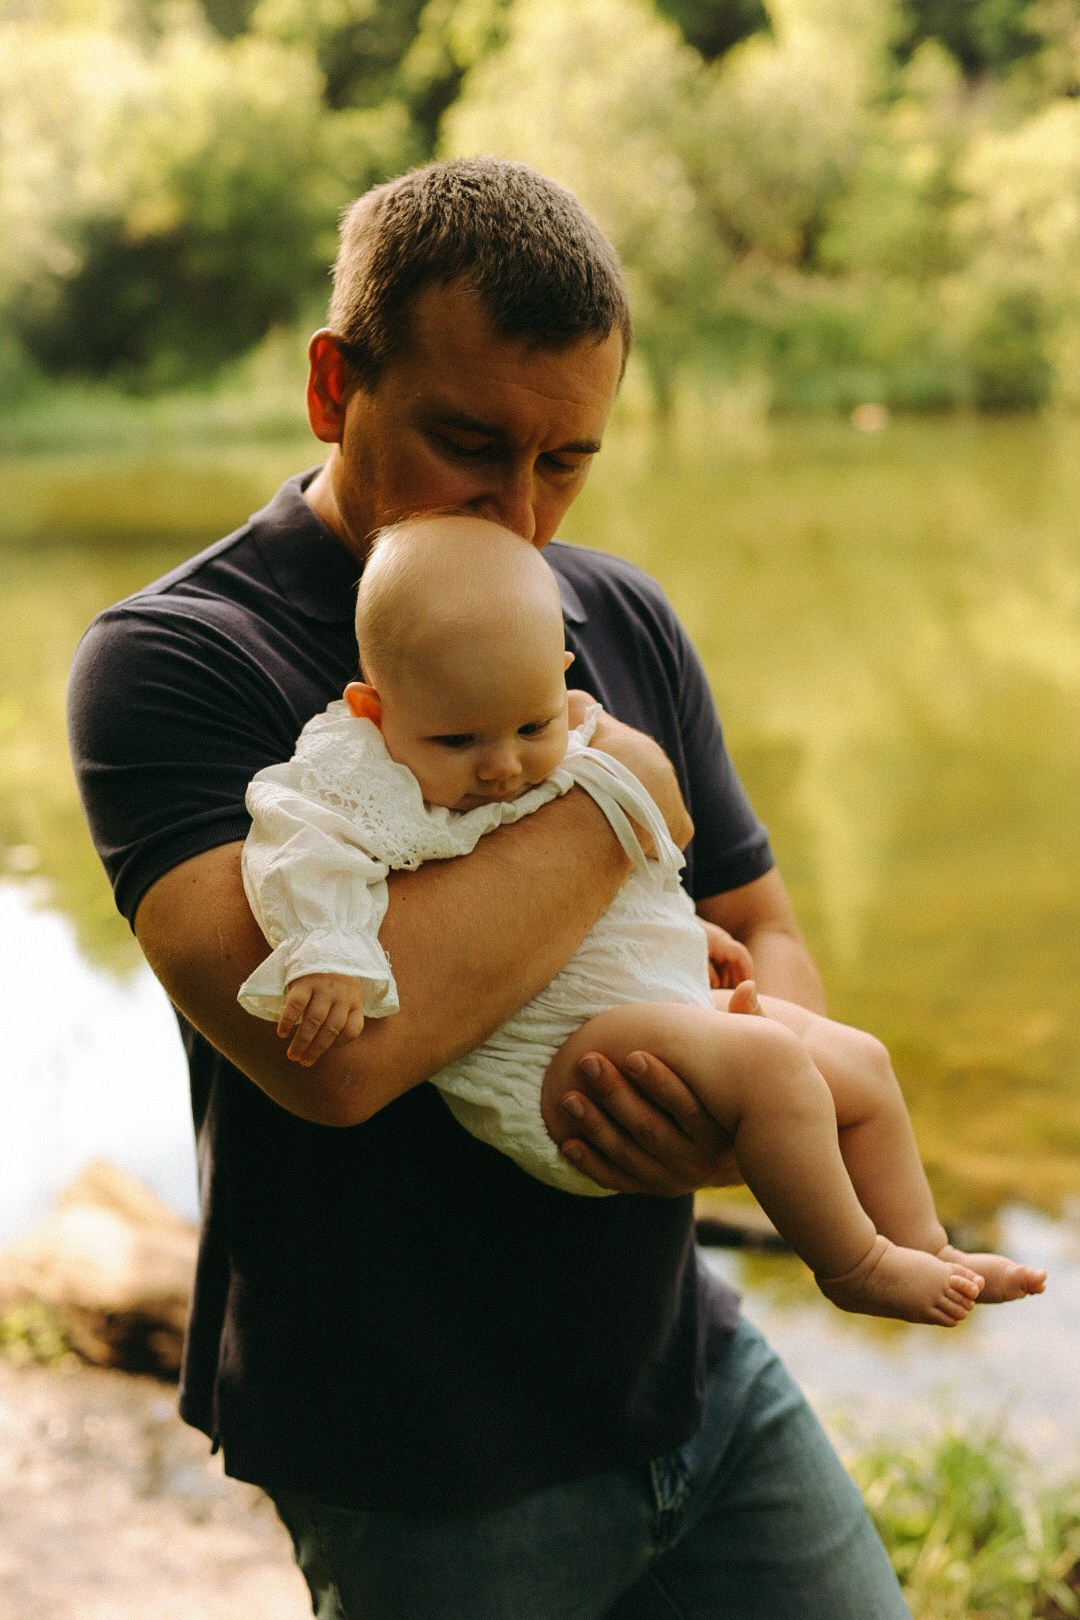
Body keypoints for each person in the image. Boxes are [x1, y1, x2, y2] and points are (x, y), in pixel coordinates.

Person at [69, 156, 925, 1617]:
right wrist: (610, 801)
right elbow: (328, 1060)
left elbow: (764, 926)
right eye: (471, 443)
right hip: (423, 1468)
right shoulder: (172, 664)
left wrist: (736, 1084)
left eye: (568, 460)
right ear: (336, 386)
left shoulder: (618, 608)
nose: (524, 514)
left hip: (696, 1379)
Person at [237, 512, 1045, 1326]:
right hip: (550, 1057)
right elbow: (298, 844)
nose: (504, 765)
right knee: (768, 1061)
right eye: (458, 740)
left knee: (861, 1061)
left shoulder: (569, 724)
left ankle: (923, 1244)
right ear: (373, 708)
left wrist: (688, 933)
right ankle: (853, 1264)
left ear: (558, 676)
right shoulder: (362, 773)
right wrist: (329, 948)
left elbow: (619, 883)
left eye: (531, 727)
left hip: (644, 998)